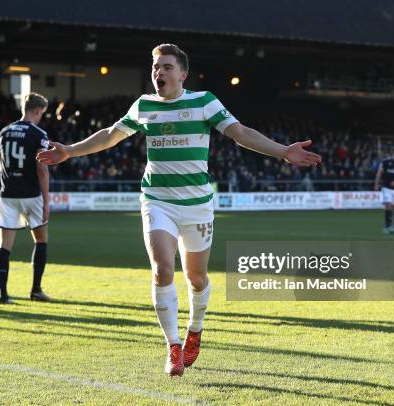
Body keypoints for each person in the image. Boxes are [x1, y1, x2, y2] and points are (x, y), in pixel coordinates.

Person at [37, 44, 321, 376]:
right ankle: (172, 347)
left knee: (196, 278)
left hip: (198, 206)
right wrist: (70, 151)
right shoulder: (144, 105)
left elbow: (240, 134)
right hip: (157, 201)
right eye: (156, 67)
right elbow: (111, 135)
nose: (159, 72)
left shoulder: (204, 102)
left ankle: (194, 331)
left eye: (167, 67)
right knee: (162, 270)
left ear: (182, 74)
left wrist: (283, 151)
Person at [0, 92, 51, 305]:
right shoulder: (38, 133)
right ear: (37, 111)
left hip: (6, 193)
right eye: (42, 113)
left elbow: (0, 161)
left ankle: (3, 295)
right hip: (30, 194)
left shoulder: (4, 131)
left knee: (4, 245)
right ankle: (36, 290)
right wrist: (46, 201)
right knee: (41, 239)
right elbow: (42, 168)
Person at [374, 146, 394, 234]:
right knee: (388, 205)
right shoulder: (385, 162)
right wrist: (376, 184)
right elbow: (379, 173)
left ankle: (389, 226)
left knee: (392, 207)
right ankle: (387, 227)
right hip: (386, 187)